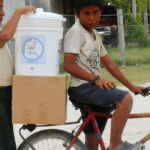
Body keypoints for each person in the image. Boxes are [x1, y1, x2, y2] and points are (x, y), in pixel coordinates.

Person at [63, 0, 147, 150]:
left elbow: (110, 64)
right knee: (125, 99)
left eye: (96, 12)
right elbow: (68, 65)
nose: (92, 18)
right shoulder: (76, 32)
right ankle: (115, 144)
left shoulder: (94, 33)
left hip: (90, 88)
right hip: (82, 88)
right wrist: (96, 79)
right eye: (86, 13)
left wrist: (132, 86)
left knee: (93, 135)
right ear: (77, 13)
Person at [0, 0, 36, 149]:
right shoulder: (3, 33)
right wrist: (19, 12)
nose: (2, 13)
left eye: (2, 8)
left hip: (4, 91)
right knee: (6, 144)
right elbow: (5, 36)